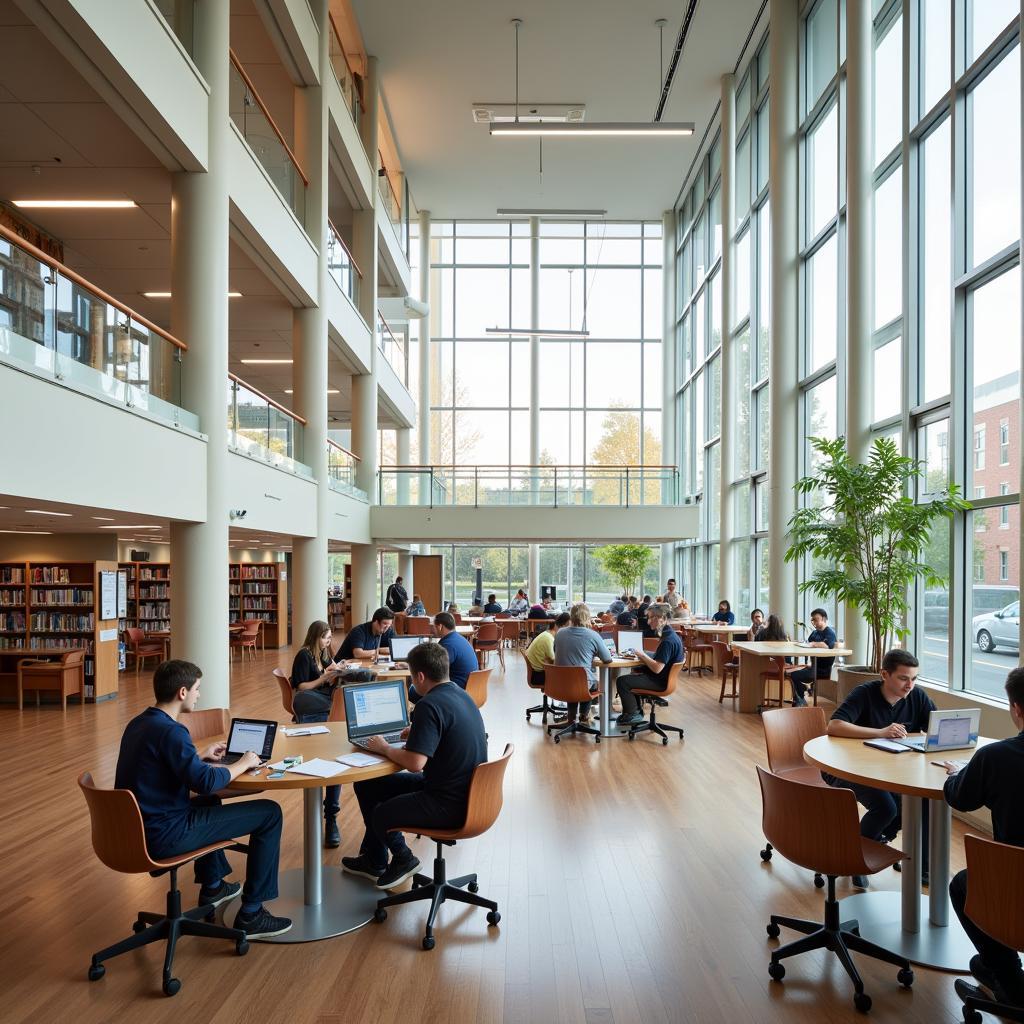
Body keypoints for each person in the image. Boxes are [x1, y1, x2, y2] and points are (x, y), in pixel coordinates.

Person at [115, 660, 291, 938]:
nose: (199, 695)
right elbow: (207, 783)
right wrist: (243, 763)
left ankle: (213, 886)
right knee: (269, 813)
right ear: (182, 692)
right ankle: (252, 914)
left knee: (207, 804)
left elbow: (157, 769)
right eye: (197, 689)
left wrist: (198, 757)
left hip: (135, 830)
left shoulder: (139, 724)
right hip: (165, 835)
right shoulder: (173, 731)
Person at [341, 642, 487, 889]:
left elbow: (416, 763)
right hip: (471, 794)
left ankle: (404, 858)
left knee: (381, 814)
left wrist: (383, 748)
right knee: (368, 785)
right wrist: (418, 732)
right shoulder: (462, 695)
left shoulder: (428, 705)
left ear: (420, 676)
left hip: (447, 802)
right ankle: (374, 860)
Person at [943, 667, 1024, 1010]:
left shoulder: (996, 757)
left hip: (1016, 890)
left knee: (963, 885)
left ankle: (1009, 980)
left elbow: (959, 797)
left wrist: (957, 775)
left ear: (1016, 708)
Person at [825, 649, 935, 888]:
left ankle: (914, 862)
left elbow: (935, 727)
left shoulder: (917, 697)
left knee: (919, 803)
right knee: (886, 807)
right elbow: (834, 726)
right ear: (885, 674)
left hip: (890, 771)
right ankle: (856, 858)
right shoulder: (864, 693)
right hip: (848, 768)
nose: (910, 685)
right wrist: (881, 732)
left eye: (914, 679)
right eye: (904, 678)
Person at [289, 620, 345, 847]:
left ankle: (338, 711)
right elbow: (301, 687)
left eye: (330, 638)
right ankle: (338, 713)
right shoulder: (304, 655)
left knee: (342, 691)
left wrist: (335, 668)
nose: (328, 642)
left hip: (321, 698)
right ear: (315, 636)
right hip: (309, 697)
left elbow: (328, 668)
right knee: (337, 696)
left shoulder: (322, 653)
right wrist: (324, 678)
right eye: (325, 638)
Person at [615, 603, 684, 728]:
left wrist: (642, 655)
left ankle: (632, 714)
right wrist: (645, 653)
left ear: (662, 618)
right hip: (665, 679)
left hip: (659, 682)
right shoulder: (671, 636)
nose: (648, 622)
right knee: (636, 671)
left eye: (652, 618)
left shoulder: (667, 641)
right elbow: (662, 657)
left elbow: (657, 668)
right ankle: (635, 711)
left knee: (622, 681)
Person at [553, 603, 612, 726]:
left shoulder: (560, 633)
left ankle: (571, 718)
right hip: (583, 685)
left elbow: (556, 651)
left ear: (571, 617)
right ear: (587, 617)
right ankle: (584, 717)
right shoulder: (593, 635)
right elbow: (607, 659)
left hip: (559, 683)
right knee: (589, 681)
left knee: (572, 678)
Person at [788, 607, 837, 706]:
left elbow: (828, 645)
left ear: (823, 619)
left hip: (822, 670)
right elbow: (808, 642)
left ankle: (800, 699)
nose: (814, 622)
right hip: (812, 667)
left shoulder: (829, 632)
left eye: (816, 619)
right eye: (812, 620)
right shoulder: (815, 633)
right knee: (791, 674)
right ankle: (801, 696)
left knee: (794, 675)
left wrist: (813, 644)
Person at [433, 612, 478, 690]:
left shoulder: (447, 644)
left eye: (434, 626)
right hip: (470, 688)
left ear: (440, 627)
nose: (433, 629)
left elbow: (434, 668)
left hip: (457, 690)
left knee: (413, 691)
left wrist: (411, 665)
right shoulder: (459, 638)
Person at [525, 612, 570, 685]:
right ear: (557, 626)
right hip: (539, 676)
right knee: (572, 678)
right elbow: (555, 661)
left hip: (538, 672)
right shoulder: (548, 639)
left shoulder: (547, 635)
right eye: (566, 628)